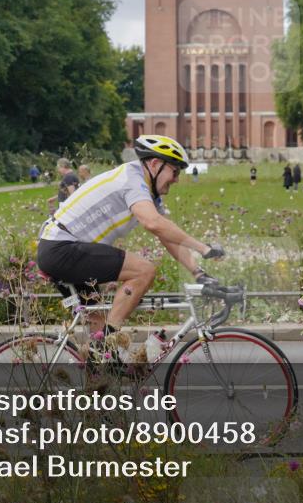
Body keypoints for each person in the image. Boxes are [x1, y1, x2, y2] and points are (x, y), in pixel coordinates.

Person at [35, 135, 224, 367]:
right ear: (155, 164)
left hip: (63, 250)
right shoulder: (132, 180)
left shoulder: (145, 190)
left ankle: (99, 375)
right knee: (143, 271)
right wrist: (204, 248)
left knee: (100, 345)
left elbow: (165, 234)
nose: (176, 179)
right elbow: (153, 223)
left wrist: (198, 272)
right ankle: (106, 344)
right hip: (62, 248)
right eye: (174, 172)